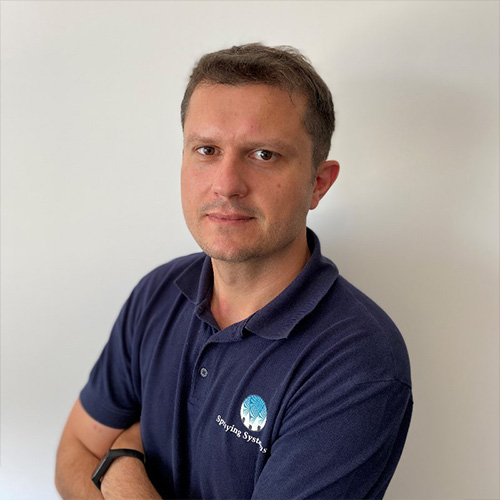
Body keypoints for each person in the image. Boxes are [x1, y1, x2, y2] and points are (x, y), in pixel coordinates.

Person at [55, 43, 412, 500]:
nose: (226, 185)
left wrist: (122, 465)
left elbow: (97, 455)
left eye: (263, 154)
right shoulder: (158, 293)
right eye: (206, 149)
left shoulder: (357, 362)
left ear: (318, 184)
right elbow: (75, 452)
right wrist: (112, 459)